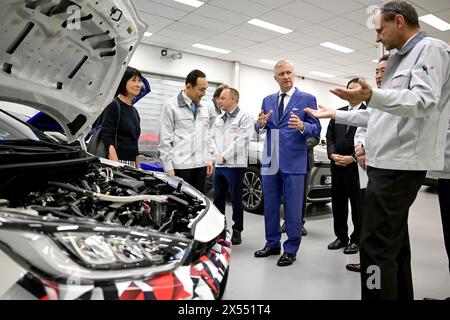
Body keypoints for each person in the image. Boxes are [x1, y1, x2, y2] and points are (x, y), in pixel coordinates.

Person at [305, 1, 450, 299]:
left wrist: (373, 95)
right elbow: (383, 112)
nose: (377, 37)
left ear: (399, 21)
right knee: (394, 246)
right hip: (386, 163)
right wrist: (337, 114)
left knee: (373, 247)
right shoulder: (399, 58)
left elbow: (423, 101)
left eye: (380, 29)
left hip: (402, 163)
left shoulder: (431, 49)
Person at [254, 60, 321, 267]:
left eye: (289, 72)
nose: (286, 76)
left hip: (294, 159)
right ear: (276, 78)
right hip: (270, 159)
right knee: (271, 207)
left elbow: (316, 129)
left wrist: (303, 126)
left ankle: (291, 248)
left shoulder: (307, 99)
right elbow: (259, 126)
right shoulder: (268, 100)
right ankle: (272, 243)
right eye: (281, 74)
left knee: (292, 208)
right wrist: (260, 124)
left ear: (295, 74)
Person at [346, 55, 389, 273]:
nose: (379, 75)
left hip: (389, 172)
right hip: (368, 169)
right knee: (369, 217)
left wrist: (365, 149)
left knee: (381, 225)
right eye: (377, 71)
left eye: (384, 70)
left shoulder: (396, 99)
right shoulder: (376, 102)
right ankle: (369, 263)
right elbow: (363, 128)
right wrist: (360, 148)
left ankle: (377, 269)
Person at [326, 78, 365, 255]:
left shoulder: (369, 112)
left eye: (355, 89)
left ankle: (357, 239)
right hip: (338, 167)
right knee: (338, 204)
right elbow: (330, 137)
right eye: (348, 89)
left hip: (357, 168)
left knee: (358, 206)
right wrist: (332, 154)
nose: (350, 92)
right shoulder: (338, 113)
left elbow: (370, 140)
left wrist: (352, 158)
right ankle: (341, 237)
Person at [210, 87, 254, 245]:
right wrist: (216, 155)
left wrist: (224, 156)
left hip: (235, 165)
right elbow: (211, 138)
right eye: (218, 98)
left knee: (235, 199)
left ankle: (237, 230)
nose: (218, 101)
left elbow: (242, 141)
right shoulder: (218, 119)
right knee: (218, 199)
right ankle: (219, 229)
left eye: (222, 98)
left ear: (233, 100)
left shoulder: (245, 117)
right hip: (220, 165)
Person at [158, 69, 213, 193]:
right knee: (180, 204)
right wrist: (168, 167)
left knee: (198, 203)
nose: (204, 93)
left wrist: (209, 158)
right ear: (189, 86)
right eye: (201, 89)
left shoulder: (205, 107)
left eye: (205, 89)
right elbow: (164, 140)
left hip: (201, 165)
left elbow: (207, 136)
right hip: (181, 167)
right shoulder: (171, 106)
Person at [101, 66, 142, 168]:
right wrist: (116, 166)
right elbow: (107, 138)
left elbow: (134, 143)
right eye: (134, 80)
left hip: (131, 164)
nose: (138, 85)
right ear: (123, 82)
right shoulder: (113, 105)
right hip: (116, 162)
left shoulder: (134, 111)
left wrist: (138, 168)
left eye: (139, 81)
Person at [281, 135, 319, 236]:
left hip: (304, 161)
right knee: (287, 192)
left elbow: (315, 138)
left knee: (302, 194)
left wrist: (297, 146)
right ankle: (287, 222)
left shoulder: (311, 119)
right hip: (288, 160)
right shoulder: (287, 120)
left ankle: (299, 223)